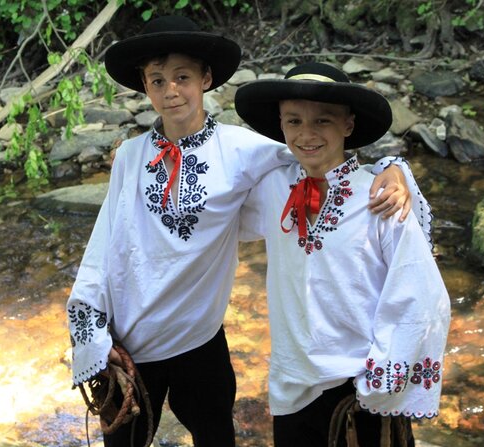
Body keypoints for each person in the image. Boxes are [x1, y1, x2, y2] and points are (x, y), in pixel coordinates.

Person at [66, 16, 428, 447]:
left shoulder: (243, 150)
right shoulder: (130, 155)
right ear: (145, 87)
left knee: (216, 437)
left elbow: (317, 157)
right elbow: (106, 243)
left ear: (206, 78)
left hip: (198, 340)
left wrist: (393, 168)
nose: (171, 91)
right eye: (157, 80)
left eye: (182, 77)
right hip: (127, 340)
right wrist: (91, 325)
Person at [235, 62, 450, 447]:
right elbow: (213, 184)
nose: (306, 134)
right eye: (294, 121)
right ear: (280, 125)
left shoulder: (381, 200)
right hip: (291, 389)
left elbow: (421, 297)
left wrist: (379, 384)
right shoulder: (271, 187)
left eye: (323, 121)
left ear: (348, 125)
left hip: (359, 392)